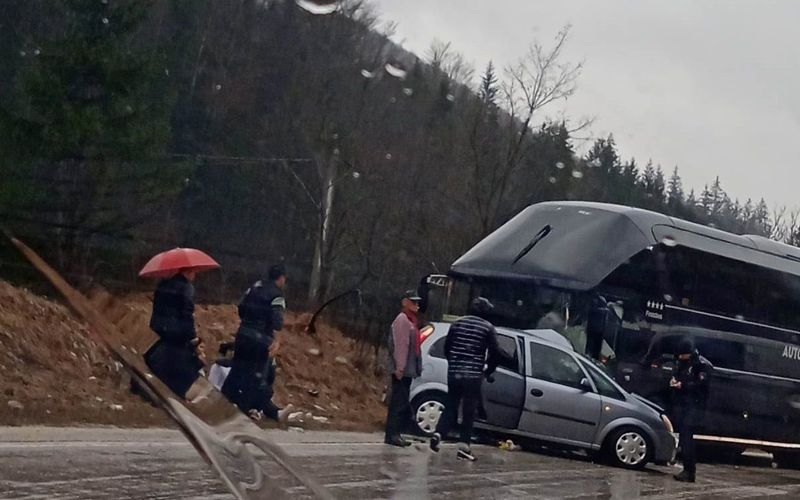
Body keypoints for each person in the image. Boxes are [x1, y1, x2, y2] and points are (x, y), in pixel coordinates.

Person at [430, 297, 507, 461]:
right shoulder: (488, 328)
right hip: (473, 375)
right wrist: (488, 370)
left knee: (450, 404)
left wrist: (454, 362)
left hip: (454, 372)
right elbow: (496, 353)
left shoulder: (456, 324)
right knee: (469, 410)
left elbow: (447, 347)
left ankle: (438, 433)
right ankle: (464, 446)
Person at [222, 264, 294, 424]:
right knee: (254, 378)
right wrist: (275, 340)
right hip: (260, 340)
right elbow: (277, 321)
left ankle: (222, 404)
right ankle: (242, 412)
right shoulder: (277, 295)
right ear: (281, 278)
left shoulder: (254, 287)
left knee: (237, 371)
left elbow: (241, 308)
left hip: (242, 335)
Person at [144, 268, 205, 399]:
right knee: (180, 362)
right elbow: (186, 314)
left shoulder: (163, 285)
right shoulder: (186, 288)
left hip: (160, 329)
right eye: (193, 272)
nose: (194, 276)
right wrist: (192, 336)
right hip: (177, 332)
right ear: (187, 272)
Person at [670, 337, 713, 483]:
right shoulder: (683, 362)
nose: (681, 357)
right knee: (683, 437)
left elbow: (700, 386)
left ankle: (689, 471)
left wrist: (683, 385)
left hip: (695, 407)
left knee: (687, 438)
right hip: (683, 404)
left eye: (683, 355)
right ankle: (687, 469)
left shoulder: (702, 365)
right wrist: (674, 381)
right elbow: (678, 374)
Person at [384, 290, 423, 447]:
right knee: (398, 403)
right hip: (402, 369)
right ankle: (392, 434)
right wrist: (400, 368)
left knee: (401, 401)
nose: (416, 305)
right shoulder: (402, 320)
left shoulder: (410, 320)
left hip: (407, 369)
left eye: (417, 302)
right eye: (413, 301)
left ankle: (397, 433)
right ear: (404, 302)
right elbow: (401, 345)